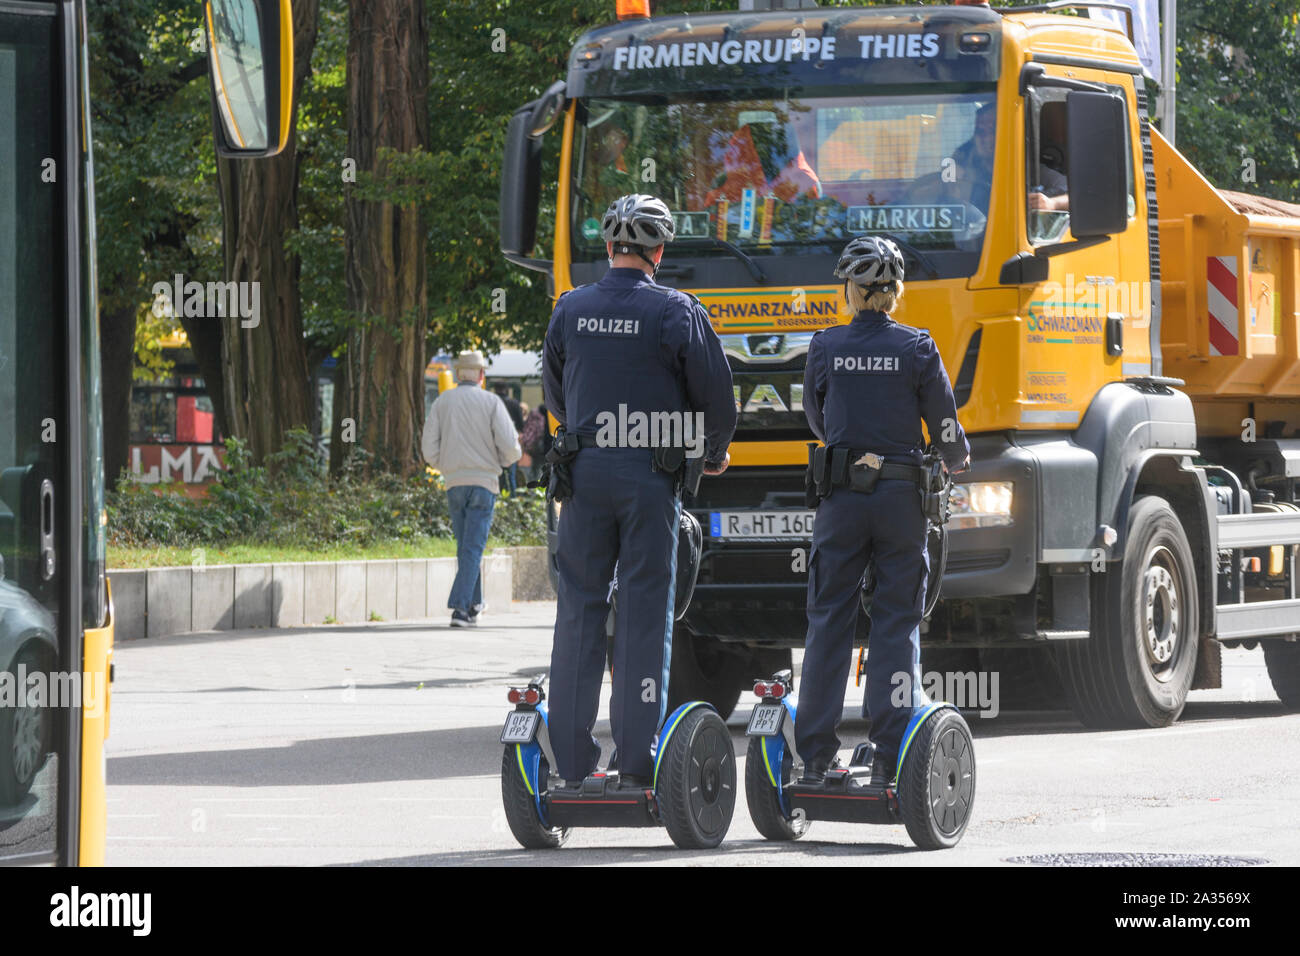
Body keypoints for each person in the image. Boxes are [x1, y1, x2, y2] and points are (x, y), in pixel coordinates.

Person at [542, 193, 737, 788]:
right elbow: (717, 399)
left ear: (608, 248)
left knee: (579, 608)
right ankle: (635, 765)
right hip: (650, 480)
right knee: (643, 612)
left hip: (581, 477)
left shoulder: (569, 308)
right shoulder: (676, 311)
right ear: (659, 250)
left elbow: (555, 395)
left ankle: (571, 768)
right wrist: (712, 451)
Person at [797, 235, 970, 788]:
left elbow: (818, 420)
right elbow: (945, 428)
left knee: (829, 621)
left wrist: (850, 446)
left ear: (849, 289)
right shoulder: (917, 347)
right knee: (895, 621)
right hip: (901, 503)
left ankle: (816, 754)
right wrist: (957, 459)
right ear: (897, 291)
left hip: (842, 500)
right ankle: (890, 746)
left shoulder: (825, 347)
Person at [421, 351, 521, 627]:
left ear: (457, 373)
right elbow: (512, 448)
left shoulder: (442, 402)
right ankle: (461, 609)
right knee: (473, 547)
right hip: (484, 482)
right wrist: (498, 463)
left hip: (454, 482)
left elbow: (428, 448)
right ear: (480, 375)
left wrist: (447, 466)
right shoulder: (491, 402)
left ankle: (475, 604)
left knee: (465, 546)